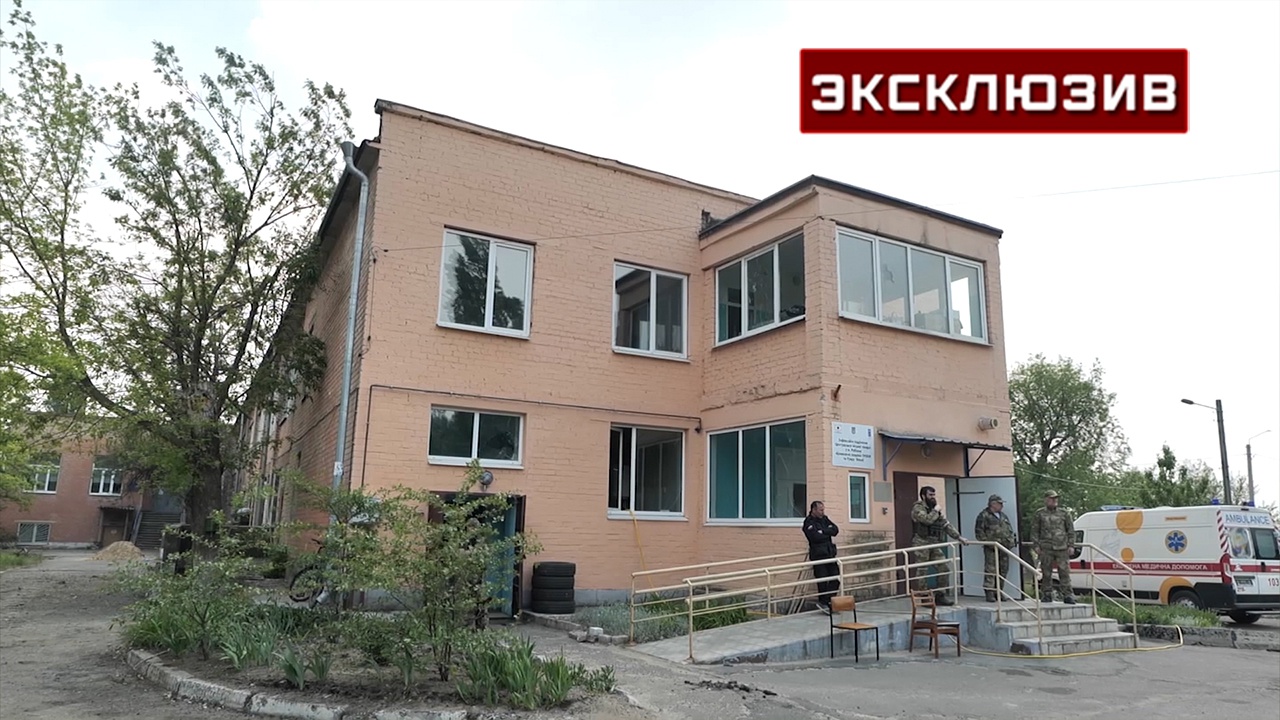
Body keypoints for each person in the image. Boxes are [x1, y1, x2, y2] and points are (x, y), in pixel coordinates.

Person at [910, 486, 970, 606]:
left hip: (934, 542)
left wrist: (959, 537)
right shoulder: (918, 508)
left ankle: (940, 595)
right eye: (930, 495)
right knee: (922, 570)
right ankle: (924, 597)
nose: (933, 497)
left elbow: (945, 524)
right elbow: (926, 520)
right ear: (923, 496)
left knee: (944, 568)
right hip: (921, 542)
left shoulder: (934, 509)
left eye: (934, 495)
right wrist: (935, 511)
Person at [1031, 489, 1076, 604]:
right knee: (1046, 573)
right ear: (1046, 500)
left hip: (1062, 547)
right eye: (1051, 498)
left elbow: (1070, 530)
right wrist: (1036, 546)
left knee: (1064, 572)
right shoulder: (1040, 513)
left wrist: (1071, 545)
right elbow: (1035, 531)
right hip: (1046, 548)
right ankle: (1047, 594)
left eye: (1055, 498)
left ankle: (1068, 595)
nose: (1054, 500)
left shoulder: (1064, 513)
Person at [974, 493, 1017, 602]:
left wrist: (1011, 541)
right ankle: (989, 592)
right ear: (992, 504)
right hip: (992, 549)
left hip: (1004, 548)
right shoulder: (984, 516)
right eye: (999, 503)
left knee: (1003, 570)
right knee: (991, 570)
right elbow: (979, 533)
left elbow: (1009, 530)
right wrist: (988, 543)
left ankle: (999, 591)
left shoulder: (1003, 516)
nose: (1002, 506)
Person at [803, 500, 841, 614]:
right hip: (818, 555)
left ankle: (828, 601)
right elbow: (815, 537)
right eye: (820, 510)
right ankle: (824, 603)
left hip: (829, 554)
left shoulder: (824, 519)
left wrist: (823, 531)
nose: (822, 512)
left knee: (836, 578)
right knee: (822, 580)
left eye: (823, 510)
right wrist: (826, 533)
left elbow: (835, 530)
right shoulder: (809, 522)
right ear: (814, 510)